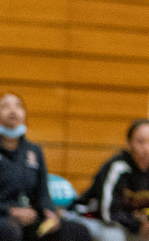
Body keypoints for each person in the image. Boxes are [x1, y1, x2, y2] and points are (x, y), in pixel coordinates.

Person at [0, 93, 90, 241]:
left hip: (31, 217)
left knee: (77, 231)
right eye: (5, 106)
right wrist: (11, 211)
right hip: (4, 218)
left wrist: (50, 211)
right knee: (10, 230)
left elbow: (43, 191)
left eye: (18, 105)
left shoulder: (34, 151)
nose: (12, 110)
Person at [69, 120, 149, 241]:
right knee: (114, 237)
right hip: (90, 218)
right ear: (128, 144)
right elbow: (108, 214)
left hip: (127, 225)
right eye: (140, 142)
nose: (146, 148)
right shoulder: (117, 167)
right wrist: (141, 226)